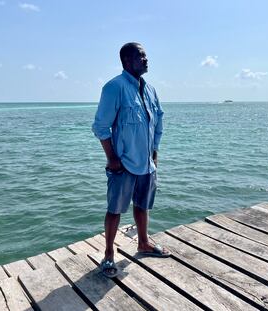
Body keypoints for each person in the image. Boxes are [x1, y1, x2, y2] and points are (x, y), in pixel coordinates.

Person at [92, 42, 170, 278]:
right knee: (115, 209)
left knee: (143, 205)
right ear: (127, 61)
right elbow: (100, 127)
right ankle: (108, 255)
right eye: (141, 56)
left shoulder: (150, 90)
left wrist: (154, 152)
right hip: (123, 163)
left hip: (147, 163)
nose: (146, 60)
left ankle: (143, 243)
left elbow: (158, 123)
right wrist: (112, 158)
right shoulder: (114, 87)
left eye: (146, 55)